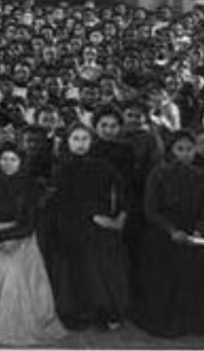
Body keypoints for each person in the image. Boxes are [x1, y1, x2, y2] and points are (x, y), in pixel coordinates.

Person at [0, 144, 65, 346]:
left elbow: (28, 225)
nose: (7, 164)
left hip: (19, 236)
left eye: (13, 159)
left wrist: (0, 236)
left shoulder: (31, 186)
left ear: (21, 162)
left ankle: (8, 328)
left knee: (12, 270)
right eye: (4, 159)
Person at [138, 130, 204, 338]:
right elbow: (151, 209)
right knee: (164, 277)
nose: (185, 154)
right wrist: (172, 231)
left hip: (193, 234)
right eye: (180, 149)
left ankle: (188, 321)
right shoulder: (158, 173)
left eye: (189, 149)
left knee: (191, 275)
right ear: (171, 150)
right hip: (163, 233)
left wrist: (198, 230)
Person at [50, 124, 129, 331]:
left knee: (98, 255)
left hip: (99, 223)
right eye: (75, 138)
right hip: (70, 224)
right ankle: (79, 312)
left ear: (91, 142)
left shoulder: (104, 167)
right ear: (68, 142)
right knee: (78, 256)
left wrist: (115, 219)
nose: (80, 143)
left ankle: (106, 311)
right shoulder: (61, 168)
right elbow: (61, 202)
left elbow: (121, 194)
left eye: (85, 139)